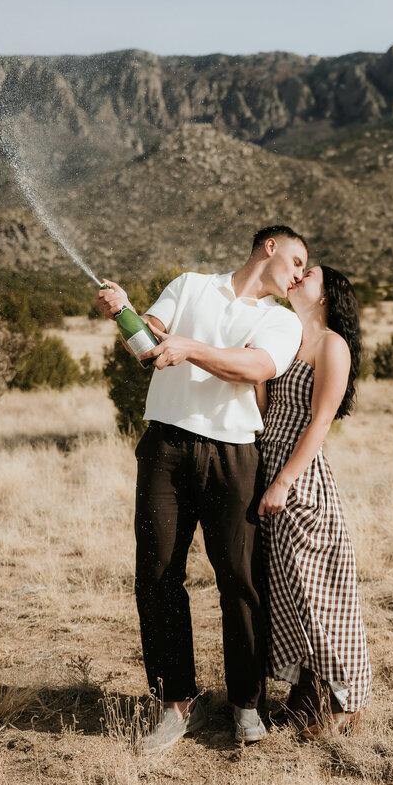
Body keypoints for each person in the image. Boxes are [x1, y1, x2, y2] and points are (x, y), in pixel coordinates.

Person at [95, 226, 307, 751]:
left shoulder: (280, 319)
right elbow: (147, 347)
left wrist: (189, 348)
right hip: (165, 447)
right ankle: (175, 705)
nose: (300, 275)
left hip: (234, 454)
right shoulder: (189, 285)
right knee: (158, 573)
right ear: (270, 247)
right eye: (298, 261)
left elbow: (256, 367)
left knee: (240, 578)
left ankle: (246, 705)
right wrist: (124, 310)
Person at [257, 264, 371, 737]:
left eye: (311, 275)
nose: (299, 277)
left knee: (319, 596)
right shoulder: (287, 340)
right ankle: (307, 694)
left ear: (329, 295)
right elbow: (267, 413)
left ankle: (345, 703)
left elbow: (321, 422)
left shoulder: (332, 346)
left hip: (300, 481)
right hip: (267, 468)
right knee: (284, 594)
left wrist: (284, 481)